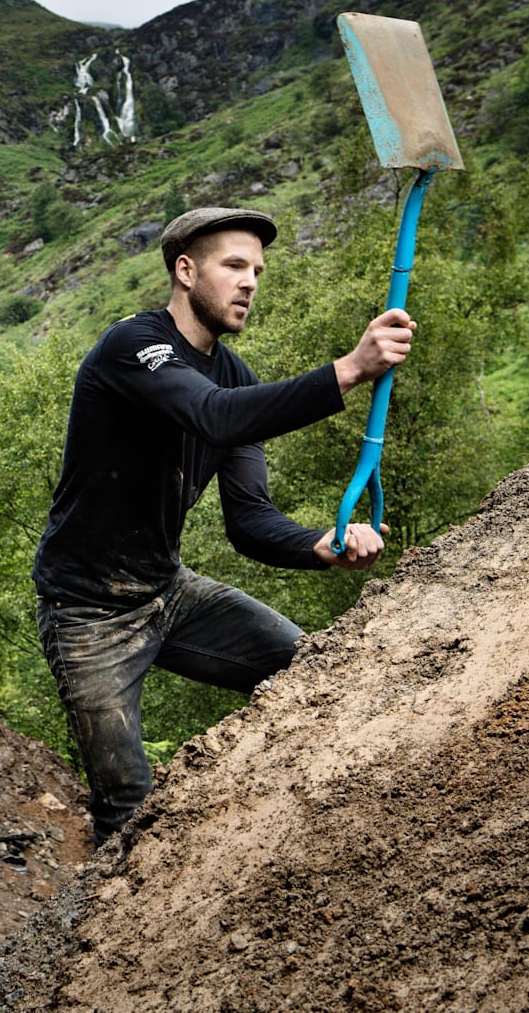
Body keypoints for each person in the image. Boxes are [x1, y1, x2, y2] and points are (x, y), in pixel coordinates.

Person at [32, 206, 416, 848]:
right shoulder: (133, 345)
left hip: (168, 592)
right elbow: (212, 417)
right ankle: (104, 938)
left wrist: (317, 545)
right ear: (185, 270)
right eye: (234, 265)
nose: (250, 282)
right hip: (87, 613)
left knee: (315, 671)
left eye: (257, 270)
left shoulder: (235, 376)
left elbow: (250, 521)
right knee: (127, 804)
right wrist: (349, 369)